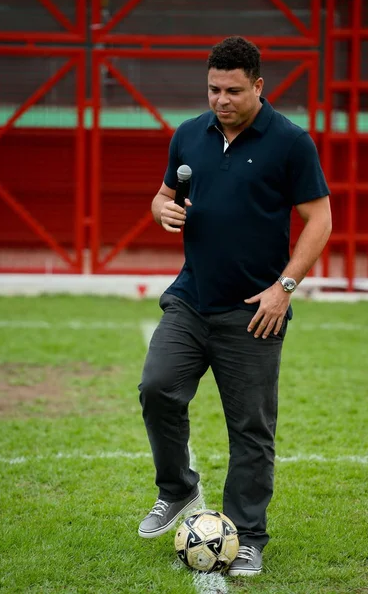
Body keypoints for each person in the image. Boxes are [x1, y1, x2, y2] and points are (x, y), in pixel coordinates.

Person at [138, 36, 332, 577]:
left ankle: (248, 538)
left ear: (259, 87)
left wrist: (284, 288)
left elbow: (320, 221)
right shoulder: (187, 136)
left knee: (250, 427)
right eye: (213, 89)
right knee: (157, 388)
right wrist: (161, 210)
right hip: (190, 297)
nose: (221, 100)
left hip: (254, 310)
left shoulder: (291, 144)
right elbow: (163, 195)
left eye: (233, 90)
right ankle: (177, 490)